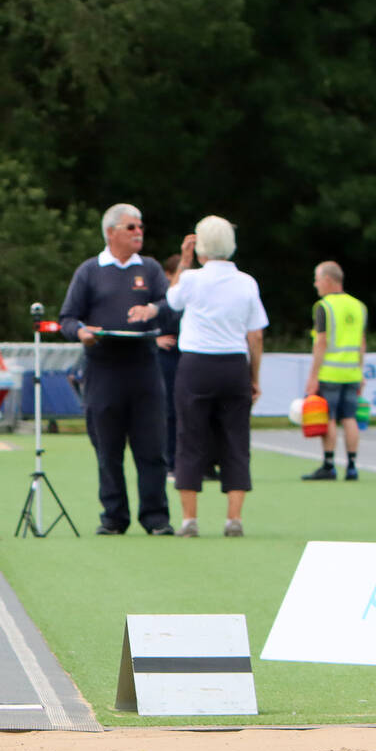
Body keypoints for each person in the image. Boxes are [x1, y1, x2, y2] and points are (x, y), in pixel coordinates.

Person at [58, 203, 173, 535]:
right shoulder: (90, 271)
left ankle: (156, 518)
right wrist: (81, 333)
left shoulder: (150, 269)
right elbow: (68, 318)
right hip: (103, 368)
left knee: (152, 448)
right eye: (131, 227)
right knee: (107, 448)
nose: (138, 232)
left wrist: (152, 310)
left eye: (140, 226)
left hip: (144, 367)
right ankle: (113, 517)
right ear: (110, 233)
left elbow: (171, 308)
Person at [164, 217, 268, 538]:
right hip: (233, 363)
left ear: (200, 247)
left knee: (189, 438)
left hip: (196, 364)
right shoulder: (247, 282)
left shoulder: (192, 279)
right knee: (236, 439)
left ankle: (189, 520)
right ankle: (233, 518)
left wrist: (183, 260)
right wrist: (253, 376)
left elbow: (172, 300)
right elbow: (256, 336)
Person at [302, 261, 367, 482]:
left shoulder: (324, 306)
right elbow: (361, 342)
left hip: (330, 372)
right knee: (349, 418)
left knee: (328, 418)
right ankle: (352, 466)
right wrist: (361, 371)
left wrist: (313, 376)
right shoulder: (359, 306)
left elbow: (321, 341)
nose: (315, 284)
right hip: (351, 372)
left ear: (328, 280)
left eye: (317, 279)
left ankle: (329, 465)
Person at [156, 254, 182, 473]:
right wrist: (154, 340)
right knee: (169, 411)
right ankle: (169, 461)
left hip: (187, 355)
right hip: (166, 358)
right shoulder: (161, 296)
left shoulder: (190, 293)